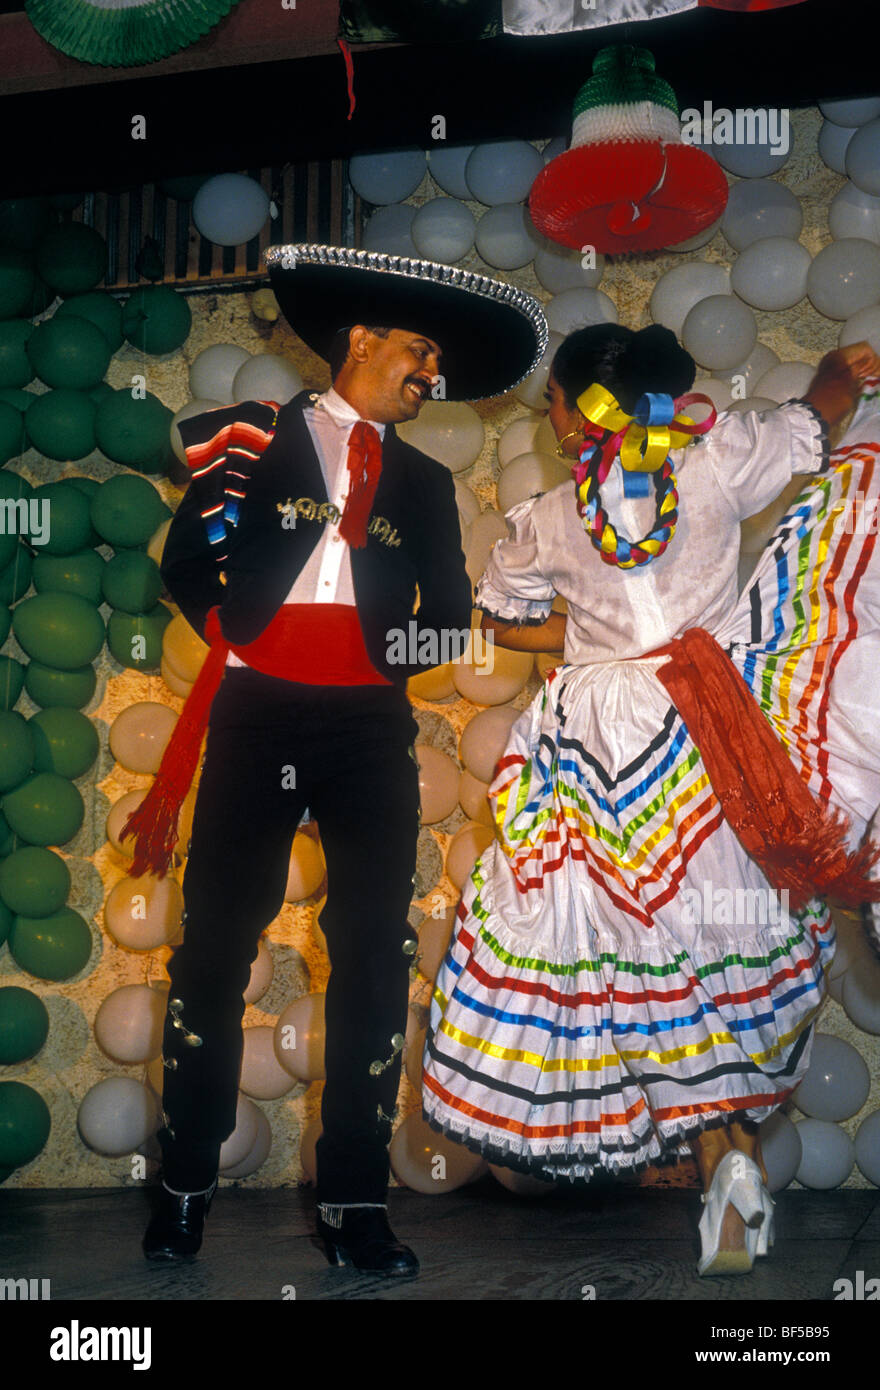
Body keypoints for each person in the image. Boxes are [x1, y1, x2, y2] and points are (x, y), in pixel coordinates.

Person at [422, 323, 880, 1276]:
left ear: (576, 409)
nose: (548, 412)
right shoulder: (714, 463)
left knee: (629, 949)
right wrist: (839, 376)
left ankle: (715, 1155)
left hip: (592, 741)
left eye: (554, 397)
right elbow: (817, 423)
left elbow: (504, 616)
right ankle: (730, 1155)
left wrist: (595, 639)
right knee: (723, 935)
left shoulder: (548, 518)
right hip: (711, 726)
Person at [130, 244, 547, 1276]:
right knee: (213, 952)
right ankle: (182, 1187)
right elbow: (188, 562)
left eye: (437, 363)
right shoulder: (254, 441)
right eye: (416, 351)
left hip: (366, 730)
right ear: (357, 341)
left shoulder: (425, 481)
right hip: (255, 714)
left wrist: (373, 662)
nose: (427, 375)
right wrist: (245, 634)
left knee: (370, 957)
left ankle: (356, 1201)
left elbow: (447, 624)